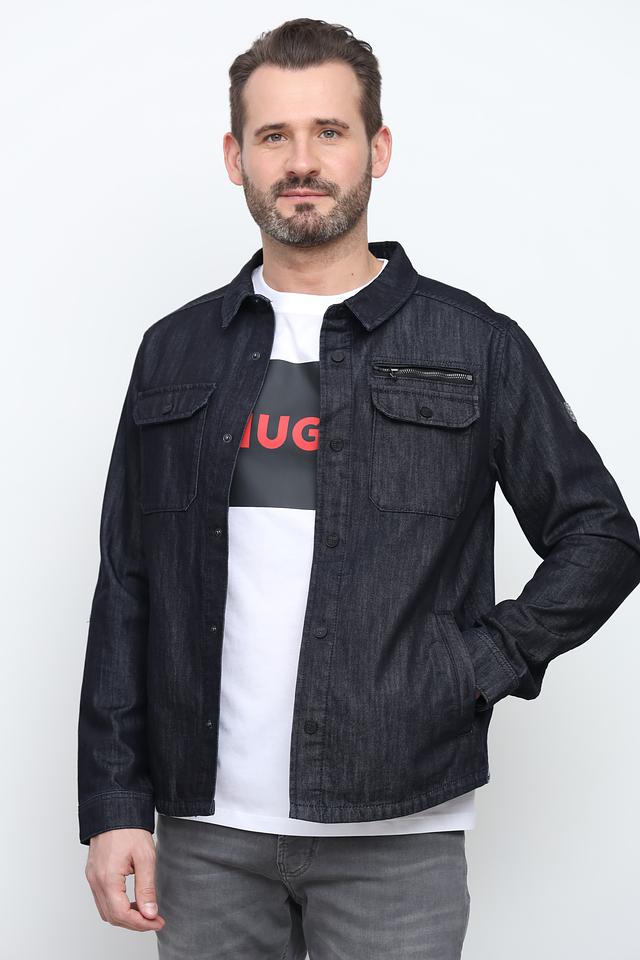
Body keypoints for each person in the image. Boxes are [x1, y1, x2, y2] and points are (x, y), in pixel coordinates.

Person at [78, 17, 640, 960]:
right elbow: (127, 584)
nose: (302, 161)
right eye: (274, 135)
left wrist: (475, 666)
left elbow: (601, 535)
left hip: (399, 833)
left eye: (329, 132)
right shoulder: (174, 351)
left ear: (376, 149)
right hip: (205, 834)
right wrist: (112, 804)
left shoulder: (474, 344)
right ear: (236, 157)